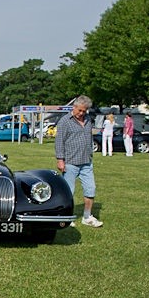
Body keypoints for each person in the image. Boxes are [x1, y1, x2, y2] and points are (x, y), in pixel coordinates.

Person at [55, 95, 103, 228]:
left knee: (90, 188)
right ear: (74, 107)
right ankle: (66, 217)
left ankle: (87, 216)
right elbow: (59, 142)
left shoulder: (88, 119)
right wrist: (60, 159)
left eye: (84, 111)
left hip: (86, 162)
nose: (81, 113)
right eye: (80, 110)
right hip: (70, 162)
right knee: (68, 191)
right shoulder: (65, 121)